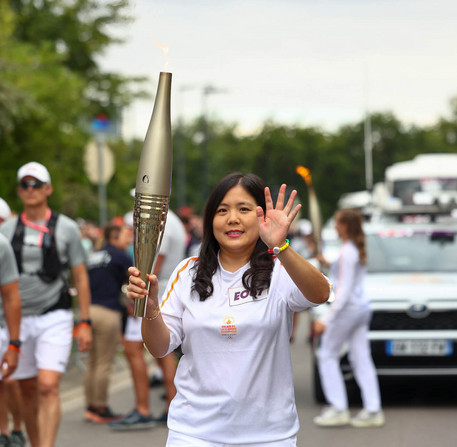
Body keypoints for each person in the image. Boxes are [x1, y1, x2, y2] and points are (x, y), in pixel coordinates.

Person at [127, 173, 330, 446]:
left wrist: (280, 247)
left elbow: (320, 294)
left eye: (244, 209)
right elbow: (159, 347)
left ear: (262, 217)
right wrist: (151, 309)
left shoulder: (281, 270)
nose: (232, 218)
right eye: (222, 210)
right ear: (211, 220)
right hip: (194, 432)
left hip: (268, 435)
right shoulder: (188, 272)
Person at [0, 161, 92, 447]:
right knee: (26, 389)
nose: (30, 190)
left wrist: (85, 322)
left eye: (36, 184)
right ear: (19, 190)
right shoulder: (7, 230)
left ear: (48, 189)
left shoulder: (66, 228)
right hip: (16, 319)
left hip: (55, 314)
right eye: (25, 185)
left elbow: (80, 276)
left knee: (48, 386)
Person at [110, 209, 187, 431]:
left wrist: (135, 297)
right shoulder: (171, 221)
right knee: (164, 354)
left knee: (134, 349)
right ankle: (170, 405)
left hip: (153, 294)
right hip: (162, 292)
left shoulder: (159, 224)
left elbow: (151, 266)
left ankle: (143, 409)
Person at [313, 208, 384, 428]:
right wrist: (327, 261)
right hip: (361, 309)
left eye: (337, 223)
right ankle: (373, 410)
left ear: (345, 226)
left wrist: (326, 318)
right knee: (360, 358)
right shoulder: (352, 249)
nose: (335, 227)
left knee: (327, 355)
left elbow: (342, 291)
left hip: (348, 311)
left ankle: (338, 408)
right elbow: (342, 276)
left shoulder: (348, 252)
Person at [84, 224, 133, 423]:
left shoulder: (94, 255)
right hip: (107, 312)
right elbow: (134, 282)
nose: (128, 240)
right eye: (125, 236)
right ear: (114, 236)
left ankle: (90, 405)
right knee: (104, 362)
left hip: (89, 311)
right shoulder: (121, 256)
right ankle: (101, 408)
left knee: (92, 362)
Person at [0, 232, 23, 447]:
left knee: (8, 382)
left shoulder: (1, 244)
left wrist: (14, 344)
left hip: (2, 327)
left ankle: (15, 426)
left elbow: (11, 295)